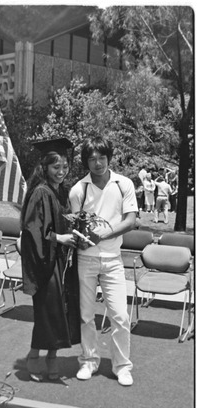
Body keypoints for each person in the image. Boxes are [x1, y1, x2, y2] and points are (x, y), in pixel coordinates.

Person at [69, 136, 138, 387]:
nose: (97, 163)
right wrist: (81, 238)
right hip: (85, 260)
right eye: (91, 159)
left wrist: (102, 235)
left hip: (113, 259)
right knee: (86, 315)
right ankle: (88, 361)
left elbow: (131, 221)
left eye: (101, 157)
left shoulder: (124, 184)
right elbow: (77, 225)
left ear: (109, 157)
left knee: (120, 316)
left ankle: (122, 366)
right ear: (85, 161)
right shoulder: (78, 190)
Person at [20, 137, 81, 382]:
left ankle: (51, 358)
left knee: (60, 312)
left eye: (65, 167)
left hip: (60, 262)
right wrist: (61, 238)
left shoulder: (60, 191)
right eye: (56, 167)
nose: (61, 172)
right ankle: (35, 356)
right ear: (45, 167)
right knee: (48, 313)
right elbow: (35, 232)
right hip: (46, 264)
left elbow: (59, 221)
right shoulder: (41, 193)